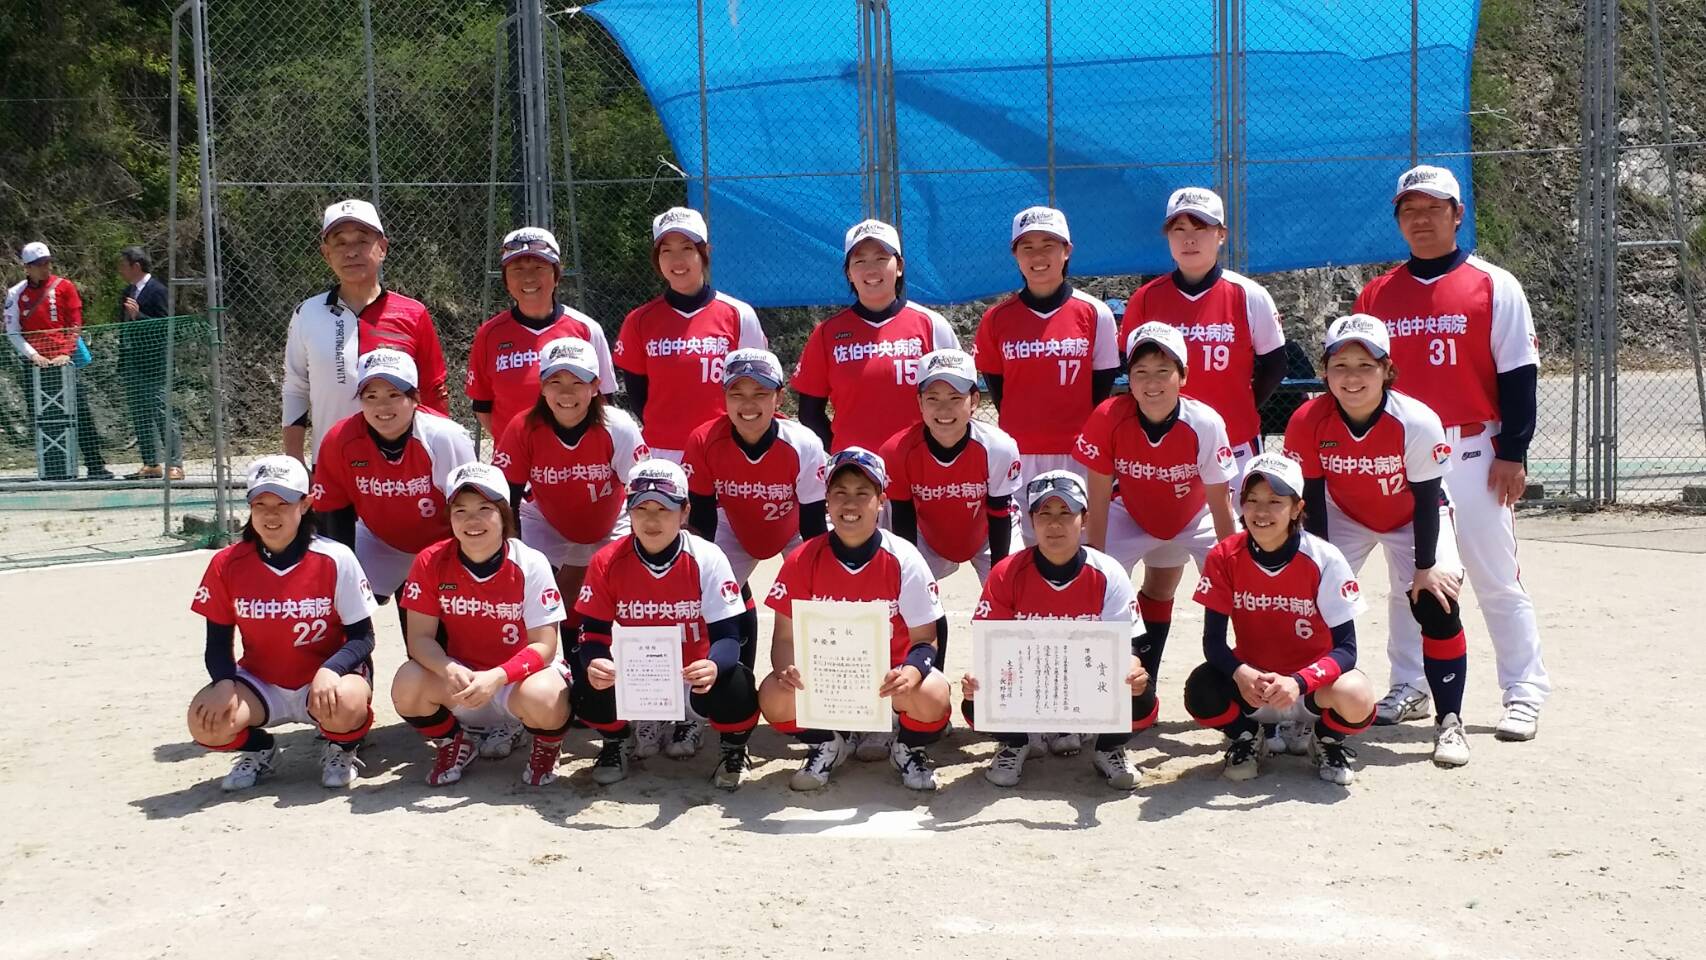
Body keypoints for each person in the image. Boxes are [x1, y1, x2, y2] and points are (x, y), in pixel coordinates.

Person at [1353, 164, 1548, 741]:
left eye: (1434, 208)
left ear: (1458, 215)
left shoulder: (1493, 284)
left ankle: (1523, 691)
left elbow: (1520, 375)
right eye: (1409, 210)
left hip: (1473, 449)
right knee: (1410, 574)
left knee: (1494, 574)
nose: (1421, 219)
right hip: (1404, 456)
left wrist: (1513, 451)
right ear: (1398, 219)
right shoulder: (1377, 294)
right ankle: (1410, 684)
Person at [1284, 314, 1472, 767]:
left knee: (1435, 601)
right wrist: (1321, 572)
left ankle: (1449, 720)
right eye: (1340, 366)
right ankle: (1304, 708)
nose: (1352, 377)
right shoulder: (1308, 418)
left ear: (1387, 369)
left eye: (1365, 365)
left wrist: (1424, 570)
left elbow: (1426, 500)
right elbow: (1313, 498)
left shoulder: (1415, 420)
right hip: (1344, 513)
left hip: (1413, 517)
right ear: (1325, 370)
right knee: (1307, 599)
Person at [1074, 322, 1236, 741]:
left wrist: (1236, 568)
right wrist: (1097, 564)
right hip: (1130, 512)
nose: (1151, 383)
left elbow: (1220, 504)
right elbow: (1097, 497)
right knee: (1091, 585)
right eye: (1141, 372)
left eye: (1163, 371)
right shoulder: (1109, 416)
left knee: (1234, 586)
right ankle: (1095, 695)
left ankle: (1252, 689)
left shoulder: (1204, 423)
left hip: (1193, 517)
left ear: (1183, 376)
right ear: (1129, 379)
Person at [759, 448, 953, 792]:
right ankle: (828, 742)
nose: (850, 504)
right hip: (828, 682)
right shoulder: (803, 558)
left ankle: (906, 747)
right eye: (840, 493)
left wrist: (909, 674)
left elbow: (926, 639)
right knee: (773, 693)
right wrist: (788, 670)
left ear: (881, 502)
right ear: (827, 501)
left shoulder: (904, 557)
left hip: (887, 682)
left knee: (933, 693)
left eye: (863, 493)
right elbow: (784, 638)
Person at [187, 455, 378, 790]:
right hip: (262, 681)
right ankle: (260, 750)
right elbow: (217, 644)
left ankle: (341, 747)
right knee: (204, 721)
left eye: (283, 504)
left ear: (305, 504)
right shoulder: (226, 563)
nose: (270, 514)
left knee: (347, 704)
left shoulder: (336, 558)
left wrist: (331, 670)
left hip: (325, 678)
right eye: (260, 504)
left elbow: (363, 637)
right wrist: (223, 683)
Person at [1184, 454, 1376, 785]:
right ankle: (1247, 736)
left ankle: (1326, 739)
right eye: (1252, 500)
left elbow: (1347, 650)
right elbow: (1212, 641)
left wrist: (1299, 682)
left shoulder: (1324, 558)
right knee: (1200, 689)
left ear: (1297, 508)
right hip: (1254, 688)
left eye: (1275, 501)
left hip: (1312, 688)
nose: (1261, 512)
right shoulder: (1224, 555)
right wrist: (1241, 673)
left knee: (1357, 696)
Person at [571, 459, 757, 789]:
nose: (651, 520)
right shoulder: (607, 560)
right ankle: (616, 741)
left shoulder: (707, 557)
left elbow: (729, 637)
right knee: (587, 679)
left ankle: (732, 748)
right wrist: (596, 660)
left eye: (664, 509)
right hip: (641, 679)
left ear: (685, 512)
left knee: (737, 683)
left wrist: (714, 665)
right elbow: (593, 634)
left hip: (692, 677)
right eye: (641, 509)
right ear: (629, 511)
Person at [960, 471, 1148, 789]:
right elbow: (990, 647)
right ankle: (1016, 742)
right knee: (975, 696)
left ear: (1084, 519)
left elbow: (1127, 644)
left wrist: (1132, 669)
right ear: (1031, 520)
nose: (1055, 524)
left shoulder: (1108, 572)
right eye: (1044, 513)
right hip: (1031, 687)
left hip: (1084, 688)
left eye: (1066, 513)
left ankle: (1108, 748)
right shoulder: (1006, 572)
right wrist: (978, 676)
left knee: (1142, 692)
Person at [393, 463, 571, 787]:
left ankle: (546, 745)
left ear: (504, 514)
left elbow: (545, 646)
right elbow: (419, 639)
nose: (471, 521)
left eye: (484, 509)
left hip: (516, 682)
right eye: (460, 511)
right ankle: (454, 742)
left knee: (547, 696)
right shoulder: (430, 560)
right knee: (407, 682)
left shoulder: (531, 562)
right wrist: (448, 668)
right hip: (464, 678)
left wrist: (498, 676)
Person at [1121, 188, 1286, 488]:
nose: (1189, 239)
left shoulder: (1250, 295)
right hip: (1165, 445)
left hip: (1234, 443)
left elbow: (1275, 366)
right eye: (1179, 229)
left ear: (1221, 234)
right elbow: (1128, 365)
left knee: (1239, 520)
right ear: (1168, 236)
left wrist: (1242, 405)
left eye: (1200, 228)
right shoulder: (1145, 299)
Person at [973, 206, 1120, 538]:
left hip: (1079, 453)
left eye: (1048, 245)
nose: (1037, 256)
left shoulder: (1095, 313)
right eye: (1027, 247)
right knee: (1026, 547)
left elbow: (1101, 390)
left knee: (1080, 543)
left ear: (1067, 250)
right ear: (1015, 255)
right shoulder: (996, 319)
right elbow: (999, 392)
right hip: (1018, 452)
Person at [309, 349, 474, 639]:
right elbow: (333, 515)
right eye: (370, 396)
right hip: (379, 540)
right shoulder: (340, 439)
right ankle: (356, 662)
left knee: (435, 636)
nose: (382, 406)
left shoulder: (444, 437)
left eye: (394, 395)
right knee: (329, 605)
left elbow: (471, 508)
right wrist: (342, 582)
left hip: (442, 544)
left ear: (415, 398)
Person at [878, 348, 1021, 683]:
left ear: (974, 401)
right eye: (933, 398)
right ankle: (928, 678)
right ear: (919, 403)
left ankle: (1005, 685)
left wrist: (999, 582)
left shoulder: (998, 446)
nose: (944, 409)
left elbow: (999, 514)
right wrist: (913, 580)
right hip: (925, 532)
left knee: (1014, 595)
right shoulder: (896, 450)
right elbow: (903, 522)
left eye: (955, 398)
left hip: (987, 531)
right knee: (911, 598)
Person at [495, 337, 647, 644]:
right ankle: (542, 662)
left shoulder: (618, 426)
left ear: (596, 386)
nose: (566, 393)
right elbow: (506, 499)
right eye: (555, 381)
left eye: (578, 382)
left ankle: (637, 662)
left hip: (610, 520)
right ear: (541, 386)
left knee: (632, 591)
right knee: (531, 591)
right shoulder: (522, 428)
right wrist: (513, 558)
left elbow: (643, 493)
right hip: (545, 520)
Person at [682, 347, 828, 670]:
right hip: (733, 524)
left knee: (819, 590)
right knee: (704, 593)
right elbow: (702, 520)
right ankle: (735, 672)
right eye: (737, 394)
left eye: (760, 393)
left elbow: (814, 526)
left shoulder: (803, 443)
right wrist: (708, 577)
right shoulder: (704, 440)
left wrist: (814, 580)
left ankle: (817, 675)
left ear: (779, 397)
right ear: (724, 397)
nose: (748, 404)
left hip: (793, 528)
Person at [282, 199, 450, 465]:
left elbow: (432, 392)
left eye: (362, 241)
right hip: (331, 465)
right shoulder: (307, 313)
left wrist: (438, 459)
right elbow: (295, 388)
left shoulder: (413, 313)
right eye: (340, 243)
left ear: (382, 248)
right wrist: (294, 461)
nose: (351, 252)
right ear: (326, 253)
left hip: (402, 470)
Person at [792, 219, 960, 453]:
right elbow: (810, 413)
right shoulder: (827, 334)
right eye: (860, 261)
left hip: (920, 466)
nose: (871, 269)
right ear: (849, 273)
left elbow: (958, 400)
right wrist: (844, 458)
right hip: (857, 471)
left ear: (899, 266)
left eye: (881, 258)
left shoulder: (932, 326)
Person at [614, 207, 766, 462]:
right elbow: (637, 394)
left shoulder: (739, 314)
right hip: (662, 451)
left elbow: (757, 385)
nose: (677, 260)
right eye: (666, 251)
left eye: (687, 248)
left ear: (704, 252)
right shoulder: (639, 320)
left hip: (724, 447)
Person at [466, 227, 615, 442]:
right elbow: (482, 406)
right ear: (505, 280)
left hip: (576, 456)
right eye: (517, 269)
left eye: (539, 267)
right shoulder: (489, 334)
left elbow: (605, 402)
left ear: (556, 275)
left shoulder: (586, 329)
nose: (529, 278)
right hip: (514, 457)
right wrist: (514, 444)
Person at [5, 242, 111, 479]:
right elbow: (13, 331)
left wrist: (66, 352)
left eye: (47, 263)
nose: (45, 268)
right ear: (27, 267)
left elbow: (75, 323)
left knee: (80, 410)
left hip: (65, 361)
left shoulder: (64, 287)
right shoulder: (16, 293)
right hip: (34, 363)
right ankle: (52, 466)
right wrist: (33, 355)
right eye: (39, 264)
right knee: (41, 414)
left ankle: (95, 464)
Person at [116, 246, 182, 480]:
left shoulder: (158, 291)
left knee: (162, 412)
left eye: (124, 265)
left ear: (136, 266)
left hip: (154, 363)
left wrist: (140, 316)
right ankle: (151, 462)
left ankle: (175, 464)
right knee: (140, 414)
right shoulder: (127, 292)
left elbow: (167, 326)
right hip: (132, 361)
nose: (120, 270)